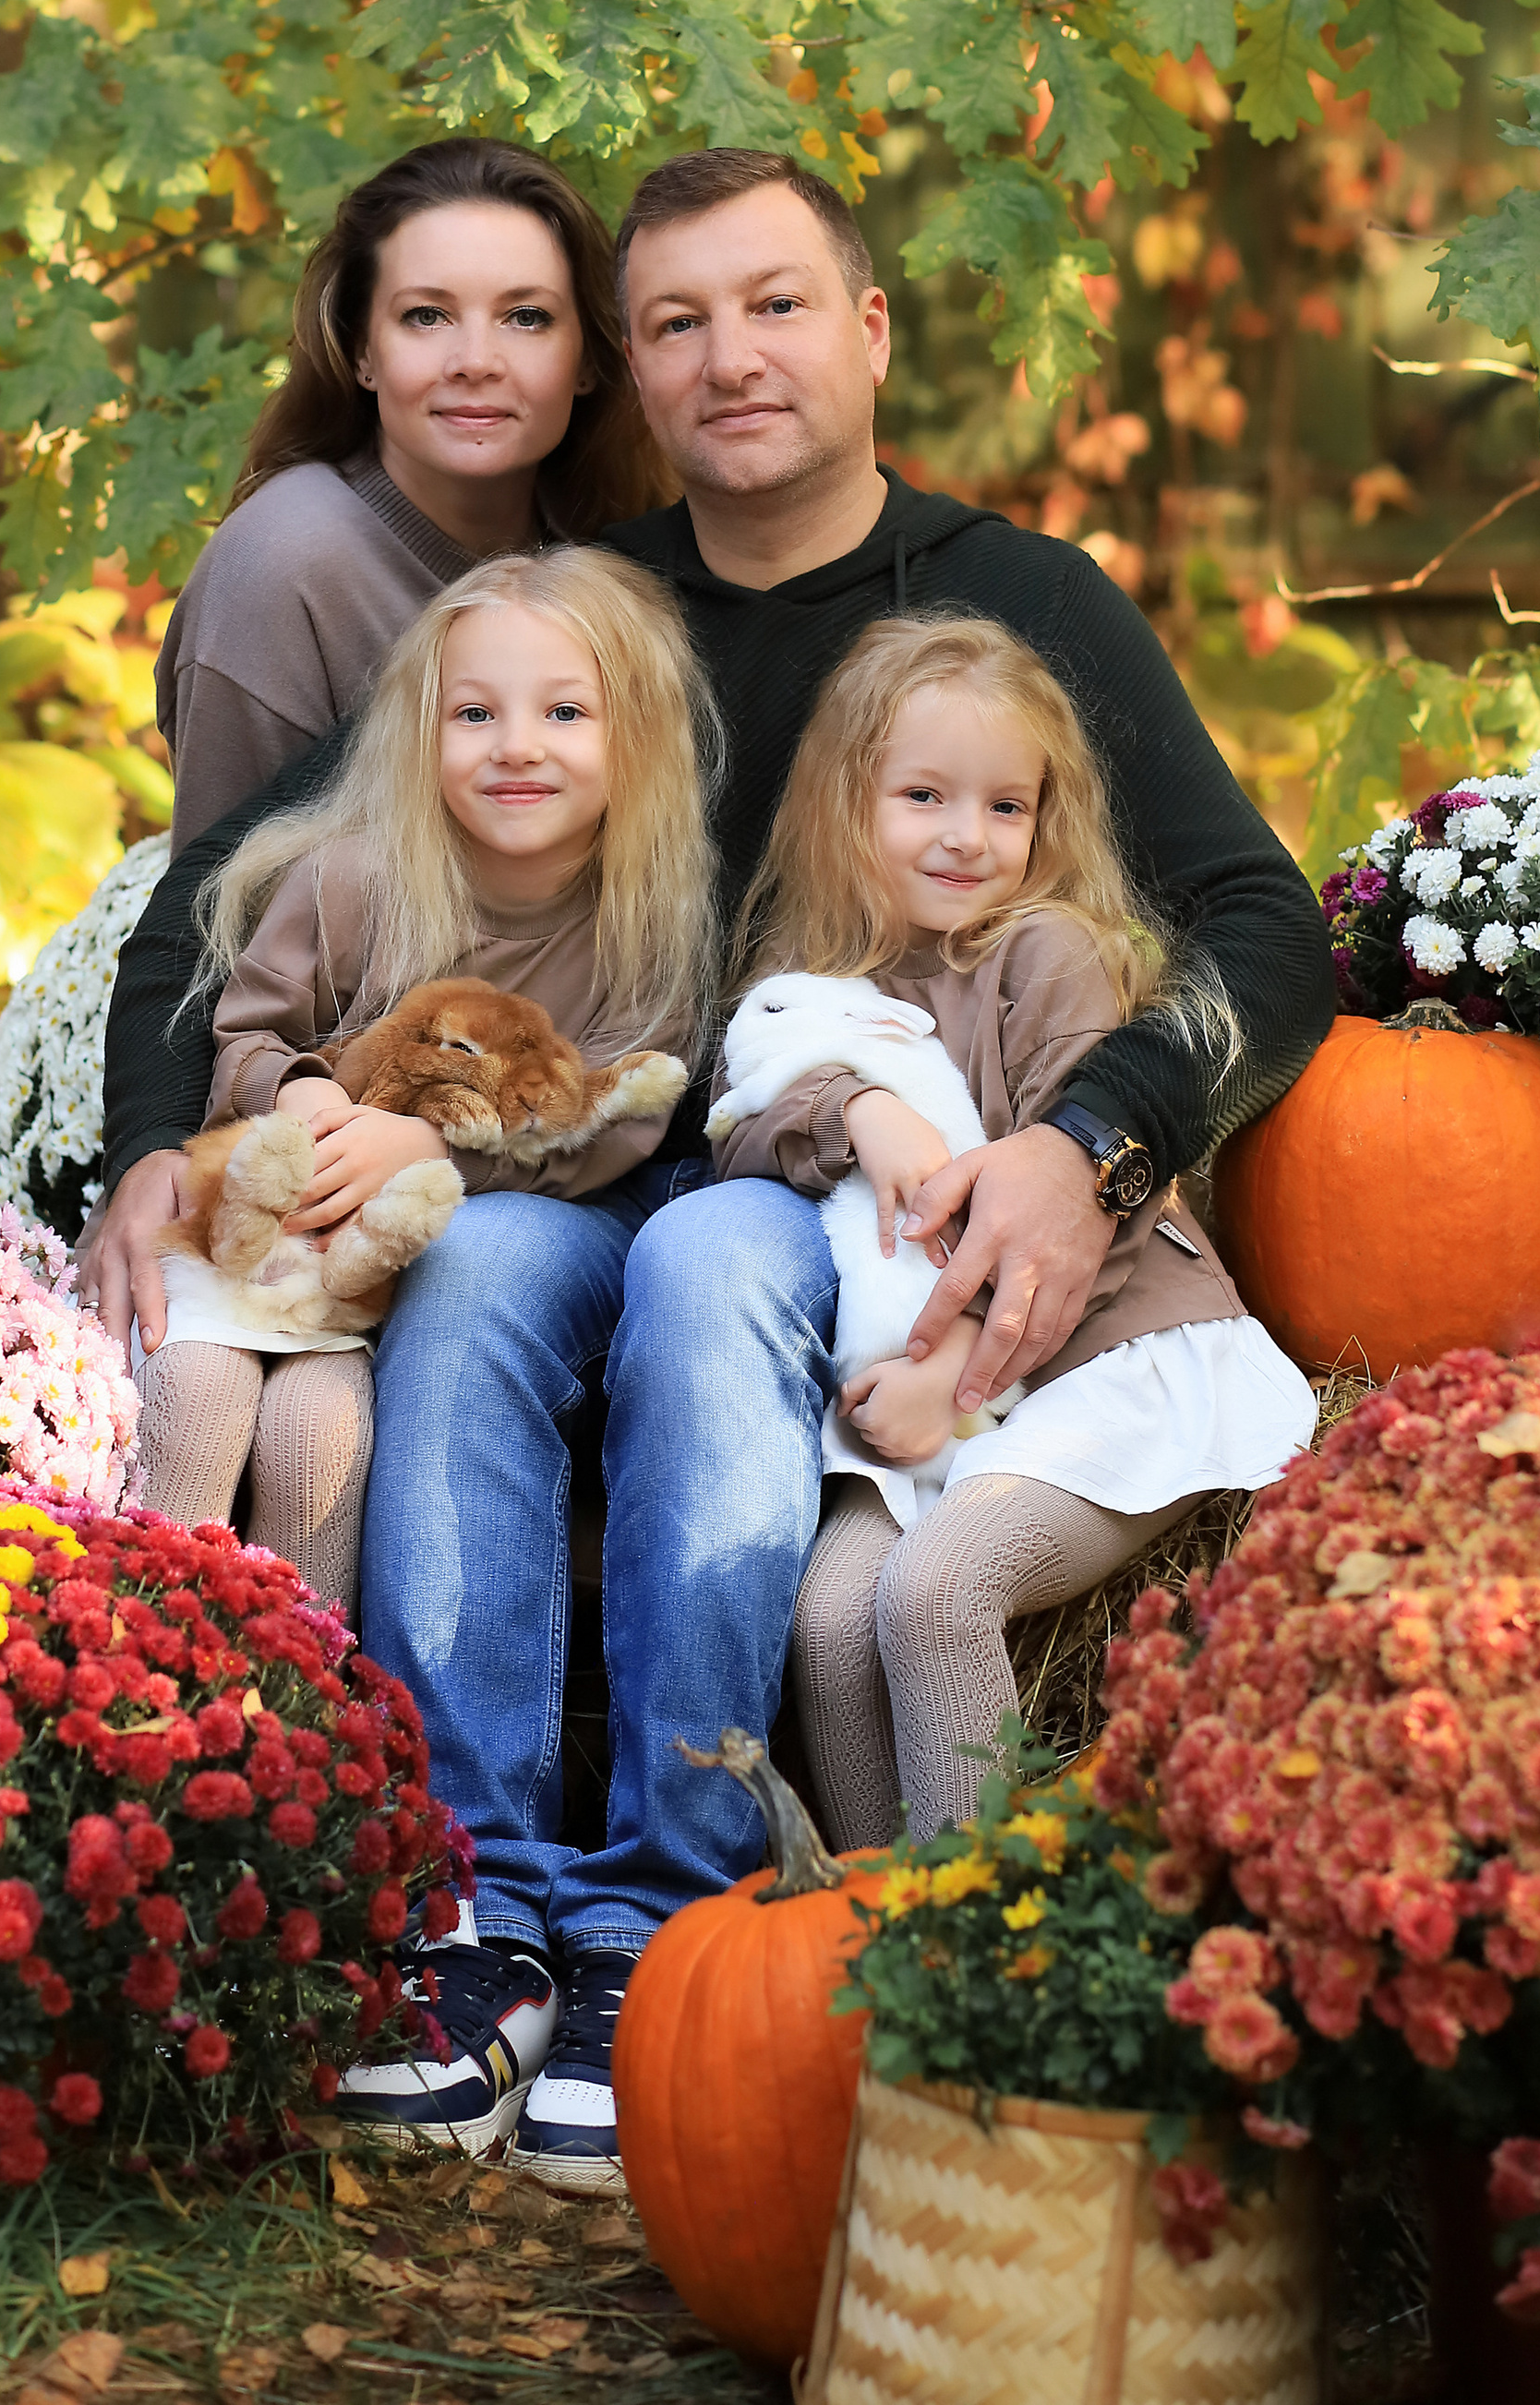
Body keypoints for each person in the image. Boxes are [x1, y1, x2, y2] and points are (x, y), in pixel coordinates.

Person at [81, 145, 1336, 2186]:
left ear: (868, 329)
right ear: (632, 370)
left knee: (716, 1257)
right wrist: (157, 1139)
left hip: (819, 1204)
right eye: (674, 321)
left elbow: (1264, 931)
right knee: (486, 1273)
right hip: (562, 1184)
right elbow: (230, 881)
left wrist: (1086, 1140)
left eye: (773, 304)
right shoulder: (591, 613)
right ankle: (471, 1904)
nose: (729, 356)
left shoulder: (1013, 605)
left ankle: (665, 1904)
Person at [710, 612, 1317, 1845]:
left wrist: (955, 1380)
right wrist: (858, 1107)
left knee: (934, 1597)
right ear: (843, 805)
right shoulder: (820, 978)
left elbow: (1099, 1208)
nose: (965, 836)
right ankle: (881, 1915)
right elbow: (738, 1127)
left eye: (1005, 807)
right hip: (943, 1387)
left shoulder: (1046, 954)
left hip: (1096, 1355)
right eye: (923, 796)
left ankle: (978, 1916)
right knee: (828, 1623)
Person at [126, 549, 719, 1626]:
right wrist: (304, 1097)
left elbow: (608, 1132)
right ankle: (140, 1666)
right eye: (474, 713)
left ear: (635, 735)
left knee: (318, 1437)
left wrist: (437, 1149)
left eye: (564, 712)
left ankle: (301, 1697)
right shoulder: (349, 881)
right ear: (421, 732)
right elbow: (247, 1033)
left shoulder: (645, 925)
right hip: (257, 1235)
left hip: (366, 1293)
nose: (516, 746)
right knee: (197, 1391)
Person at [156, 135, 659, 850]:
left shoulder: (616, 543)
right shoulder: (281, 567)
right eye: (427, 315)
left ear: (588, 357)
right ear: (363, 351)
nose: (476, 362)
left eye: (526, 317)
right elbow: (217, 900)